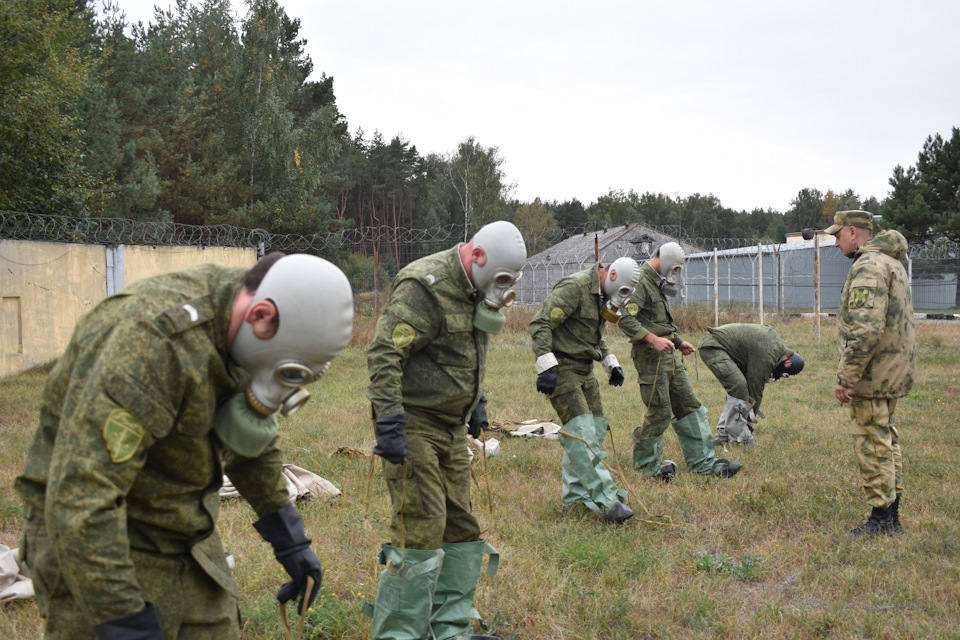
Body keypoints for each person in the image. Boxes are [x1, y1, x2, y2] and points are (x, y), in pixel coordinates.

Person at [15, 252, 354, 639]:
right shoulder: (148, 345)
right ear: (260, 317)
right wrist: (122, 618)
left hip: (186, 534)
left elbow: (250, 435)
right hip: (93, 540)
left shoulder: (256, 324)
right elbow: (81, 493)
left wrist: (289, 537)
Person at [365, 220, 526, 640]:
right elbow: (384, 353)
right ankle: (399, 634)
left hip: (452, 427)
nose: (502, 289)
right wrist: (389, 421)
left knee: (460, 527)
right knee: (423, 524)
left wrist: (479, 399)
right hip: (413, 423)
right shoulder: (424, 285)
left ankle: (449, 629)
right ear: (476, 256)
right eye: (500, 278)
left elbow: (469, 349)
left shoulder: (479, 288)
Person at [618, 242, 742, 481]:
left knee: (689, 404)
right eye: (674, 267)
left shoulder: (657, 283)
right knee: (660, 410)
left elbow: (660, 323)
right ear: (664, 261)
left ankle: (704, 462)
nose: (675, 273)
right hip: (650, 357)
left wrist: (678, 341)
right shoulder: (640, 282)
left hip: (669, 354)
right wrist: (654, 340)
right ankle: (647, 467)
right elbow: (625, 320)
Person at [528, 256, 639, 524]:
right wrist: (545, 366)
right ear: (611, 276)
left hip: (585, 369)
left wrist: (610, 363)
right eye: (622, 292)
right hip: (562, 368)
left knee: (596, 429)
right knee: (581, 433)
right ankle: (607, 500)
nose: (621, 299)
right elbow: (540, 323)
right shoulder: (574, 288)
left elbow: (593, 337)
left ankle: (576, 496)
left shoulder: (602, 297)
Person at [828, 210, 917, 537]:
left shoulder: (869, 266)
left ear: (854, 232)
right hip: (892, 370)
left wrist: (846, 377)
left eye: (838, 236)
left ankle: (881, 519)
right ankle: (891, 515)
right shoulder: (893, 262)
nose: (836, 243)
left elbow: (866, 330)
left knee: (873, 441)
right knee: (887, 438)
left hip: (874, 373)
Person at [697, 323, 804, 448]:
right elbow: (755, 388)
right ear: (787, 364)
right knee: (739, 386)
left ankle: (727, 434)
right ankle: (734, 436)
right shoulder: (768, 355)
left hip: (719, 344)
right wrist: (749, 425)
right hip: (712, 346)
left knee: (740, 389)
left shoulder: (775, 346)